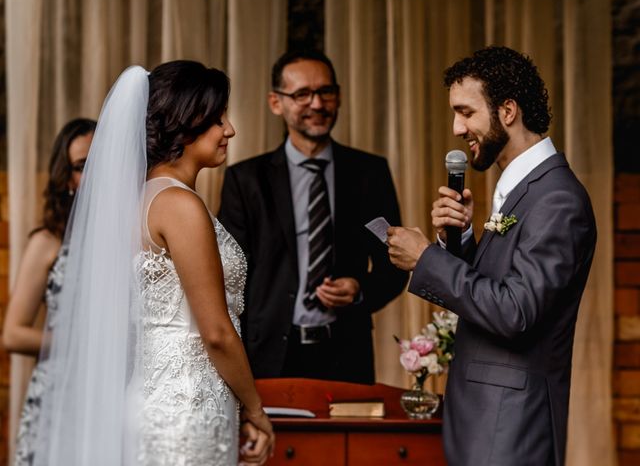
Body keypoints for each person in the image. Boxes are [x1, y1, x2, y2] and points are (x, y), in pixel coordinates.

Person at [32, 62, 274, 466]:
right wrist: (255, 409)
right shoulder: (179, 205)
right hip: (186, 409)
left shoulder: (142, 201)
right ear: (184, 122)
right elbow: (215, 331)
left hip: (160, 401)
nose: (229, 130)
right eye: (216, 119)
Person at [387, 46, 596, 466]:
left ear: (507, 111)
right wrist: (460, 238)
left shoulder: (557, 198)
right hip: (485, 420)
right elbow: (501, 285)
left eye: (466, 113)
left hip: (511, 428)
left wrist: (427, 258)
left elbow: (515, 311)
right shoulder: (524, 190)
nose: (457, 128)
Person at [218, 50, 408, 384]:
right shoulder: (245, 179)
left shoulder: (369, 173)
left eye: (325, 92)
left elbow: (393, 265)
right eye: (302, 94)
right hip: (266, 356)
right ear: (276, 103)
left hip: (347, 353)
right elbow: (231, 274)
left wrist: (360, 289)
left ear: (339, 96)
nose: (317, 104)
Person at [2, 118, 95, 466]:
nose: (94, 174)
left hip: (116, 392)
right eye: (83, 167)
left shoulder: (137, 234)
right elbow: (13, 333)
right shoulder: (47, 241)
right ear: (66, 178)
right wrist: (79, 341)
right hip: (59, 394)